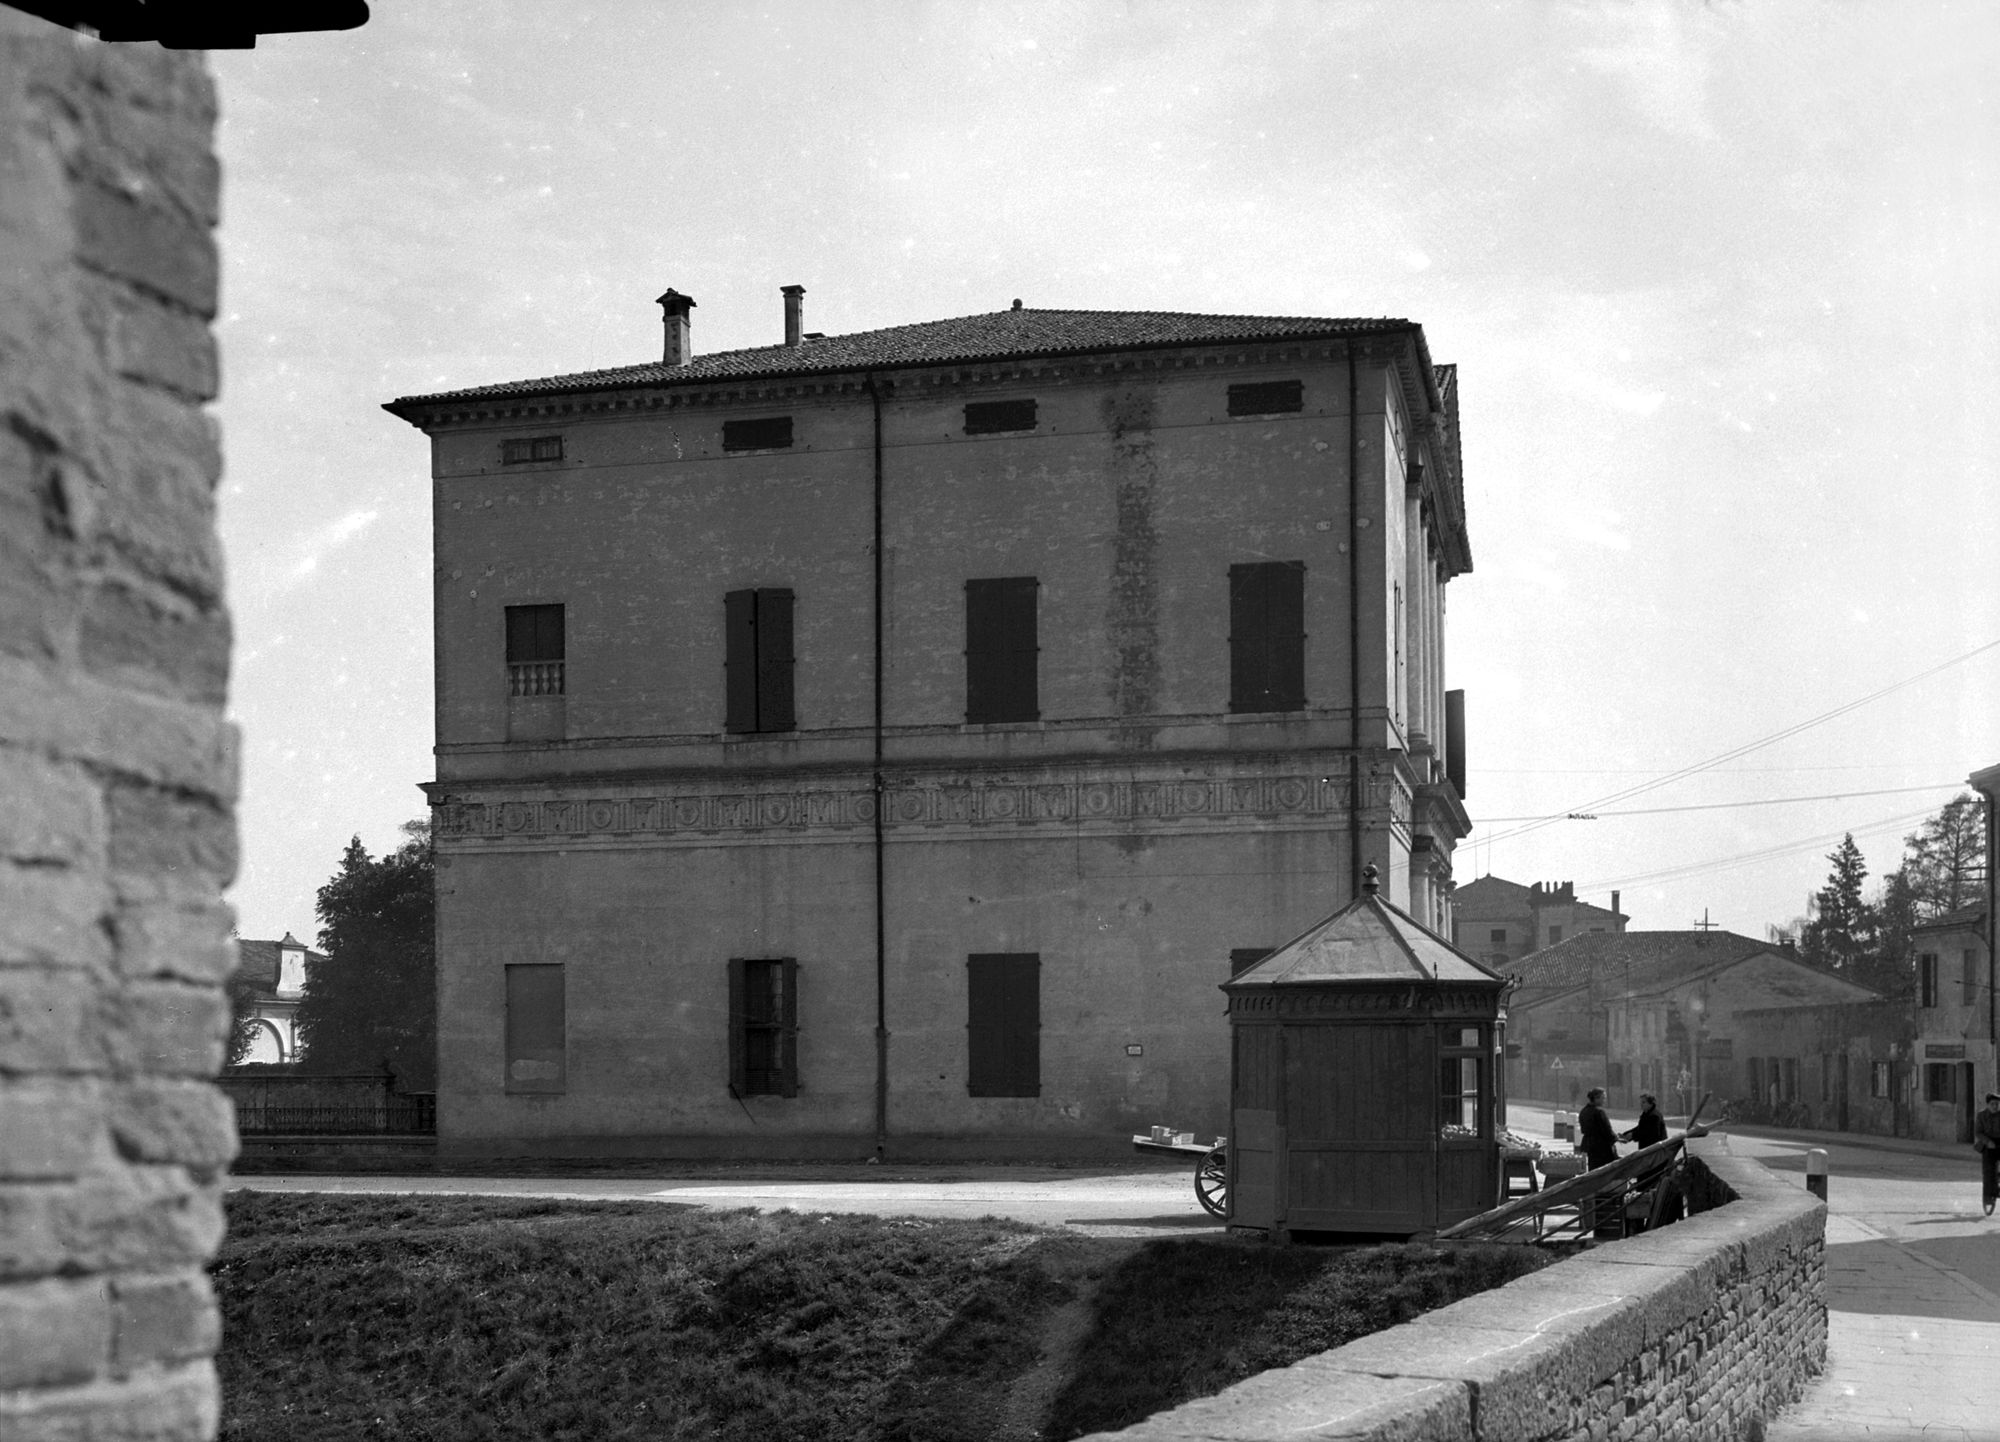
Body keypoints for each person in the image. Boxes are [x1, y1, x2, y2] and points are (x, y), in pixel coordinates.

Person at [1576, 1087, 1619, 1169]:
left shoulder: (1584, 1111)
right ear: (1596, 1098)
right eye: (1603, 1098)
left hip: (1589, 1145)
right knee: (1604, 1171)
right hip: (1601, 1147)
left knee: (1593, 1169)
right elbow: (1607, 1130)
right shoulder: (1599, 1112)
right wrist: (1615, 1138)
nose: (1604, 1100)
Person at [1975, 1091, 2000, 1217]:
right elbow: (1978, 1132)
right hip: (1988, 1144)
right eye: (1992, 1104)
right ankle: (1989, 1195)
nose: (1995, 1107)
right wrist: (1988, 1141)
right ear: (1988, 1105)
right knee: (1988, 1170)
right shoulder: (1981, 1116)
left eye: (1997, 1104)